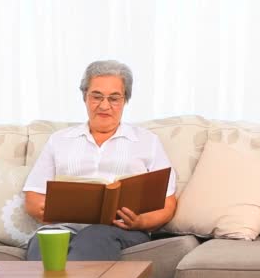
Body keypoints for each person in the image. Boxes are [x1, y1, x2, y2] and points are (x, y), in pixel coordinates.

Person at [23, 60, 177, 261]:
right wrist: (48, 210)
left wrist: (140, 221)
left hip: (122, 231)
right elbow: (33, 198)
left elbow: (168, 202)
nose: (104, 105)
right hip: (65, 226)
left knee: (94, 236)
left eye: (114, 98)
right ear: (85, 97)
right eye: (97, 96)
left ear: (125, 101)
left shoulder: (147, 141)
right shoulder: (59, 140)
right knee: (45, 241)